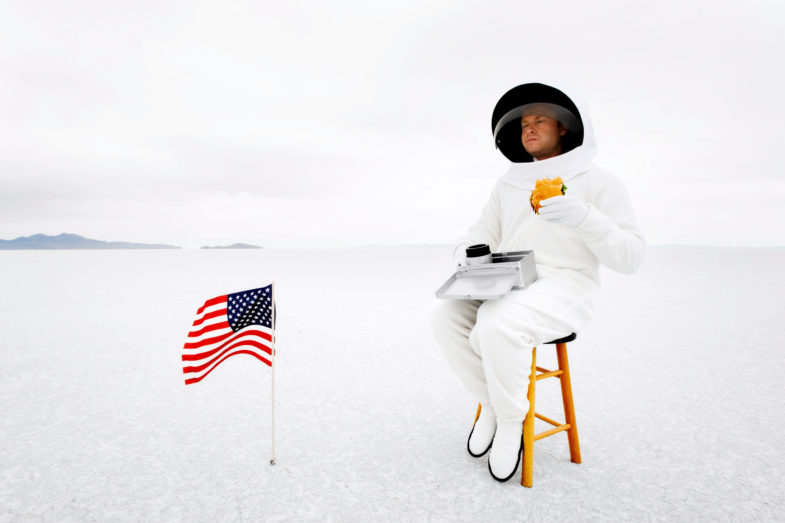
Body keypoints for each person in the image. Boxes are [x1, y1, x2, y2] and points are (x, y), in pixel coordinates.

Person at [429, 82, 645, 482]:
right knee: (443, 314)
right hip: (508, 279)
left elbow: (630, 257)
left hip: (567, 285)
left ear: (565, 127)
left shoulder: (599, 182)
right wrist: (467, 249)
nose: (529, 128)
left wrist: (584, 217)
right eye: (525, 123)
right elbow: (481, 232)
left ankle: (512, 421)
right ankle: (491, 404)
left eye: (540, 120)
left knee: (497, 323)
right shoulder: (509, 183)